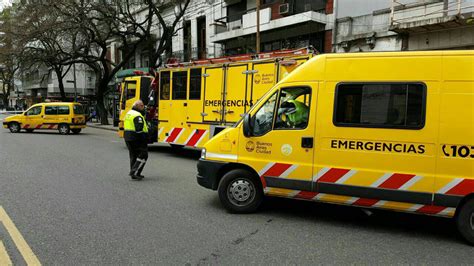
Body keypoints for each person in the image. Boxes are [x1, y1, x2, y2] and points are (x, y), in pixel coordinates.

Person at [123, 100, 149, 180]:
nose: (143, 107)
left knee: (133, 155)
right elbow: (139, 129)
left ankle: (133, 172)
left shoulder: (129, 113)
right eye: (142, 106)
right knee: (144, 155)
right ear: (137, 106)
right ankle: (134, 172)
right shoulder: (137, 115)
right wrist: (144, 138)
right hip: (136, 138)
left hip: (128, 137)